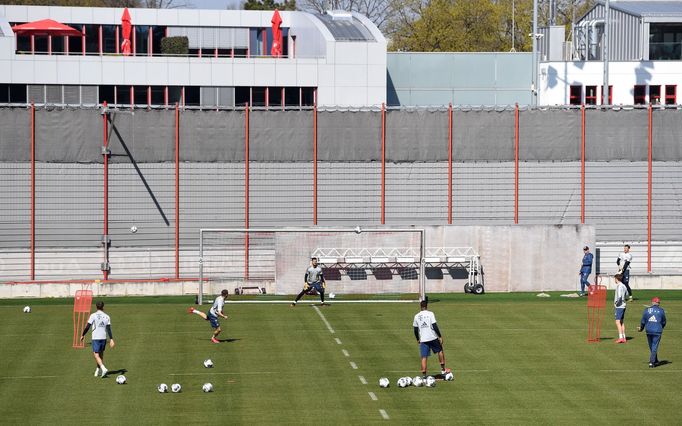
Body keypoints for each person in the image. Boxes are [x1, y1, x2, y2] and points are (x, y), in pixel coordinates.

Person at [413, 300, 450, 378]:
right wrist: (440, 336)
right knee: (440, 351)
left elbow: (415, 330)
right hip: (432, 337)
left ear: (420, 306)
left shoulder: (416, 316)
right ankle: (443, 370)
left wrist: (417, 339)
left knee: (424, 357)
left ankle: (424, 376)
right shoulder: (430, 314)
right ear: (427, 306)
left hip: (423, 339)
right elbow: (434, 325)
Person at [80, 301, 115, 378]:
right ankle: (97, 370)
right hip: (103, 338)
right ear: (103, 307)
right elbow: (108, 329)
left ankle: (103, 368)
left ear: (96, 307)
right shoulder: (107, 316)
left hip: (96, 337)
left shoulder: (93, 315)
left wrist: (82, 335)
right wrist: (111, 339)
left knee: (96, 355)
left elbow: (88, 326)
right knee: (100, 354)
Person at [638, 297, 667, 368]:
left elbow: (643, 321)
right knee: (654, 346)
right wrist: (661, 327)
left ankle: (654, 360)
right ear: (658, 303)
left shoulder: (646, 310)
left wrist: (641, 328)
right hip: (657, 331)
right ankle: (652, 362)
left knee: (652, 346)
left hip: (648, 330)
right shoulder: (661, 310)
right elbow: (664, 322)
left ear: (652, 302)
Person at [613, 273, 628, 344]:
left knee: (617, 321)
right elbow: (627, 294)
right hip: (624, 305)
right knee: (621, 321)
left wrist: (616, 304)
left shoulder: (619, 286)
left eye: (615, 279)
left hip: (620, 306)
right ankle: (624, 337)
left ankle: (621, 337)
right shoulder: (624, 285)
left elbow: (619, 297)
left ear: (616, 279)